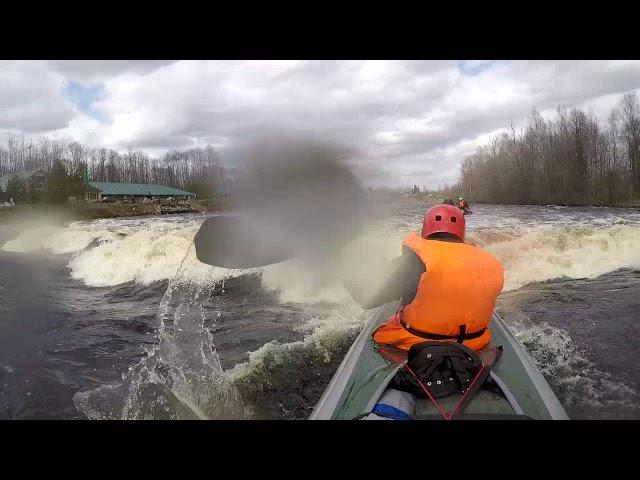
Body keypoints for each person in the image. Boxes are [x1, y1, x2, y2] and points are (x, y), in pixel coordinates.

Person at [343, 204, 503, 352]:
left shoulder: (413, 261)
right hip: (475, 344)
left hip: (417, 344)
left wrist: (347, 277)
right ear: (461, 232)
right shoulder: (491, 262)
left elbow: (366, 298)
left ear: (426, 228)